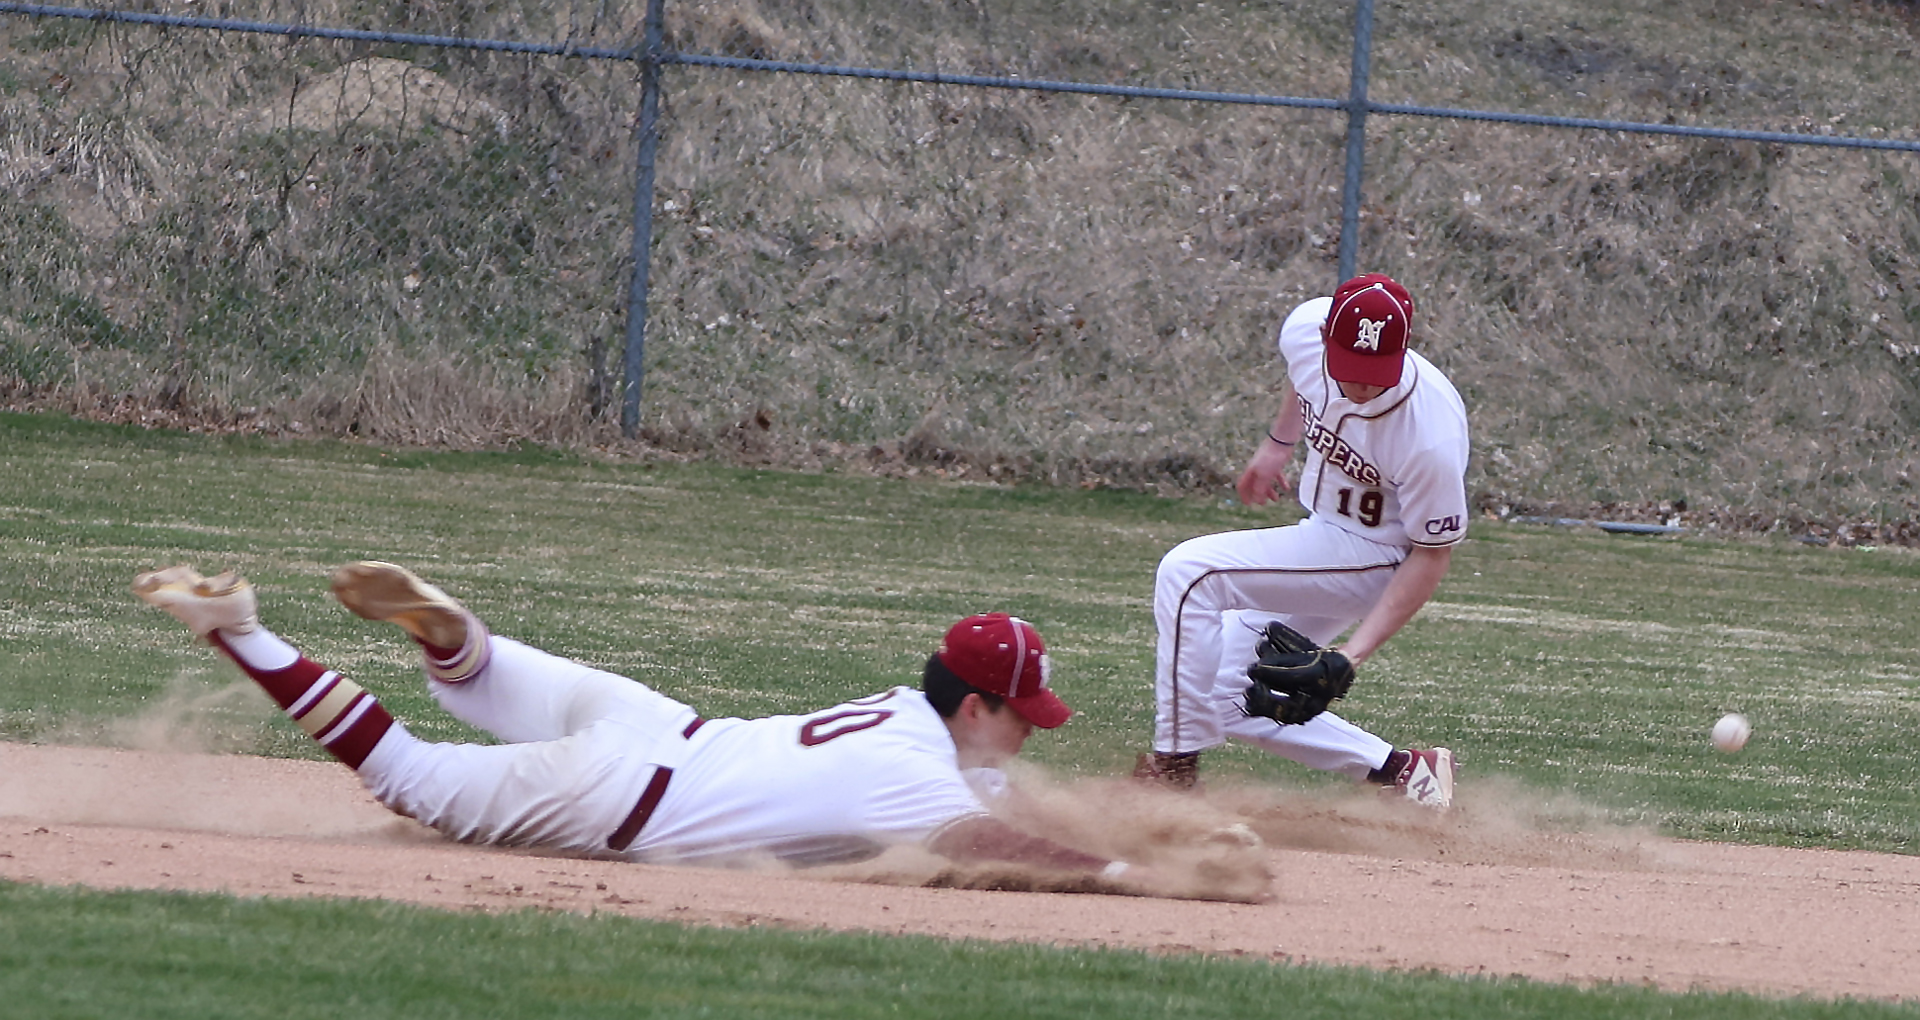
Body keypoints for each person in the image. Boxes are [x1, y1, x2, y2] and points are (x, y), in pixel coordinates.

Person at [133, 560, 1171, 885]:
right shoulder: (916, 779)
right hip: (617, 796)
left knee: (494, 679)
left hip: (658, 723)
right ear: (976, 707)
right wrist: (1129, 875)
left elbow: (1003, 800)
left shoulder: (902, 712)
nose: (1034, 732)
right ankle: (241, 630)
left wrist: (1150, 826)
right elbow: (990, 842)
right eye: (1026, 716)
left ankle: (459, 641)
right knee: (407, 774)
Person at [1135, 273, 1468, 808]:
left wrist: (1352, 655)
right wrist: (1277, 444)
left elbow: (1432, 555)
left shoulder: (1429, 435)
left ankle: (1173, 770)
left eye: (1375, 373)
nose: (1361, 385)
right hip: (1322, 535)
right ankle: (1405, 773)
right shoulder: (1306, 330)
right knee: (1220, 695)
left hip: (1381, 559)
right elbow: (1302, 376)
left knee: (1189, 573)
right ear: (1326, 337)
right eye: (1349, 368)